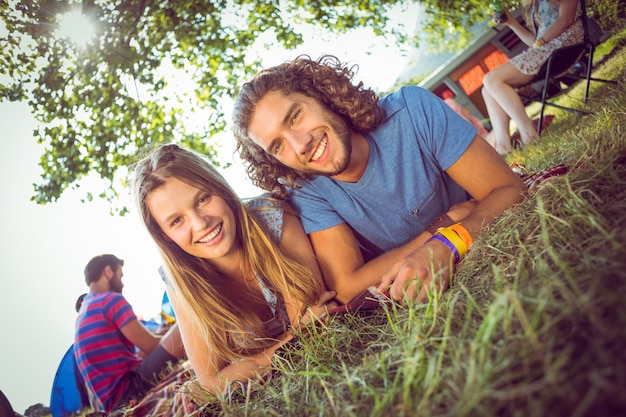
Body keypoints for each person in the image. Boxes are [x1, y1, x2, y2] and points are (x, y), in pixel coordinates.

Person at [232, 54, 527, 304]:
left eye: (294, 117)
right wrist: (442, 226)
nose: (299, 145)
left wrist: (448, 243)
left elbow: (509, 188)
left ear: (322, 97)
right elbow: (347, 287)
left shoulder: (412, 111)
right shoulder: (307, 192)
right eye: (278, 146)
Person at [131, 143, 335, 407]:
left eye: (203, 199)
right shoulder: (179, 281)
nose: (200, 223)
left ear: (220, 188)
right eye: (177, 221)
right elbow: (211, 383)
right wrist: (272, 353)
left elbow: (312, 321)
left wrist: (242, 369)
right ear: (165, 237)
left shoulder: (272, 218)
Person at [74, 254, 186, 413]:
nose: (122, 283)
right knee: (188, 322)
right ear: (108, 272)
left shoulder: (83, 314)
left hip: (113, 403)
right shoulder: (109, 300)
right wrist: (168, 335)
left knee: (168, 335)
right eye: (121, 276)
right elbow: (150, 346)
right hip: (131, 390)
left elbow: (130, 356)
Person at [482, 0, 584, 154]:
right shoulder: (534, 6)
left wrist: (538, 44)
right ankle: (504, 147)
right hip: (548, 50)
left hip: (565, 47)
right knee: (487, 90)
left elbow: (566, 19)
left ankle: (529, 135)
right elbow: (535, 41)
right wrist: (511, 23)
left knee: (492, 80)